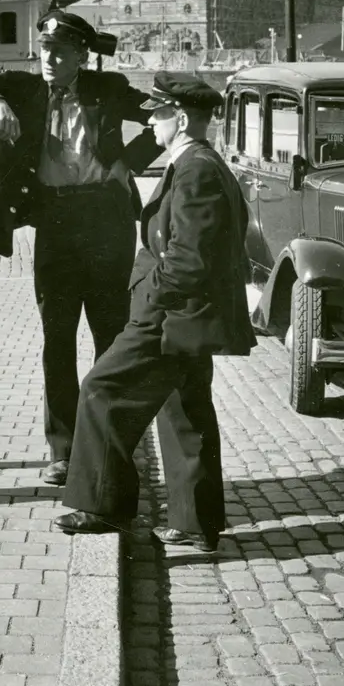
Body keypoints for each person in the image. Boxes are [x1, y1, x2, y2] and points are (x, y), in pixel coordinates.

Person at [0, 8, 162, 485]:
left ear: (82, 55)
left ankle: (110, 441)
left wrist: (128, 164)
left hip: (106, 221)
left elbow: (165, 117)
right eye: (44, 50)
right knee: (57, 340)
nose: (49, 59)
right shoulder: (22, 87)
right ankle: (63, 451)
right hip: (55, 225)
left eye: (60, 52)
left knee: (111, 335)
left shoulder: (109, 89)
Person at [54, 73, 256, 552]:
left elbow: (190, 260)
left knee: (101, 389)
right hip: (187, 316)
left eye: (159, 112)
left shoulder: (196, 169)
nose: (151, 119)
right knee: (185, 412)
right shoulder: (199, 164)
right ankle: (195, 525)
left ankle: (103, 507)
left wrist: (148, 296)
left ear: (182, 118)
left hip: (171, 317)